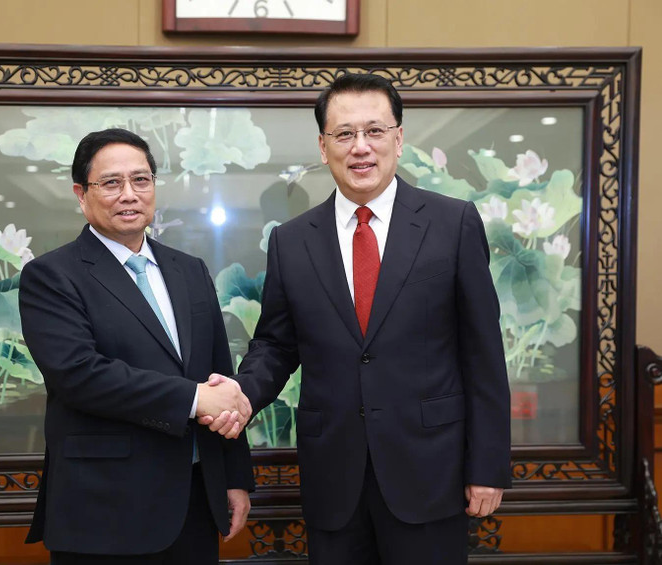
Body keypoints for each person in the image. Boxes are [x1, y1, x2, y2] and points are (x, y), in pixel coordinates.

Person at [202, 73, 511, 564]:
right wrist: (242, 397)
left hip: (431, 470)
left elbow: (484, 354)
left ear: (399, 138)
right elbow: (277, 345)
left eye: (375, 131)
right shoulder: (292, 239)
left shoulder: (452, 223)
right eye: (344, 134)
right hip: (334, 475)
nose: (360, 147)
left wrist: (489, 464)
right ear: (323, 147)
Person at [20, 128, 254, 564]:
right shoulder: (52, 276)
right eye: (111, 183)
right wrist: (194, 397)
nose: (129, 194)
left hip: (194, 500)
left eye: (141, 180)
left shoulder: (190, 270)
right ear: (81, 194)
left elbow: (220, 375)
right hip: (105, 507)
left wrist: (234, 476)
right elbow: (80, 376)